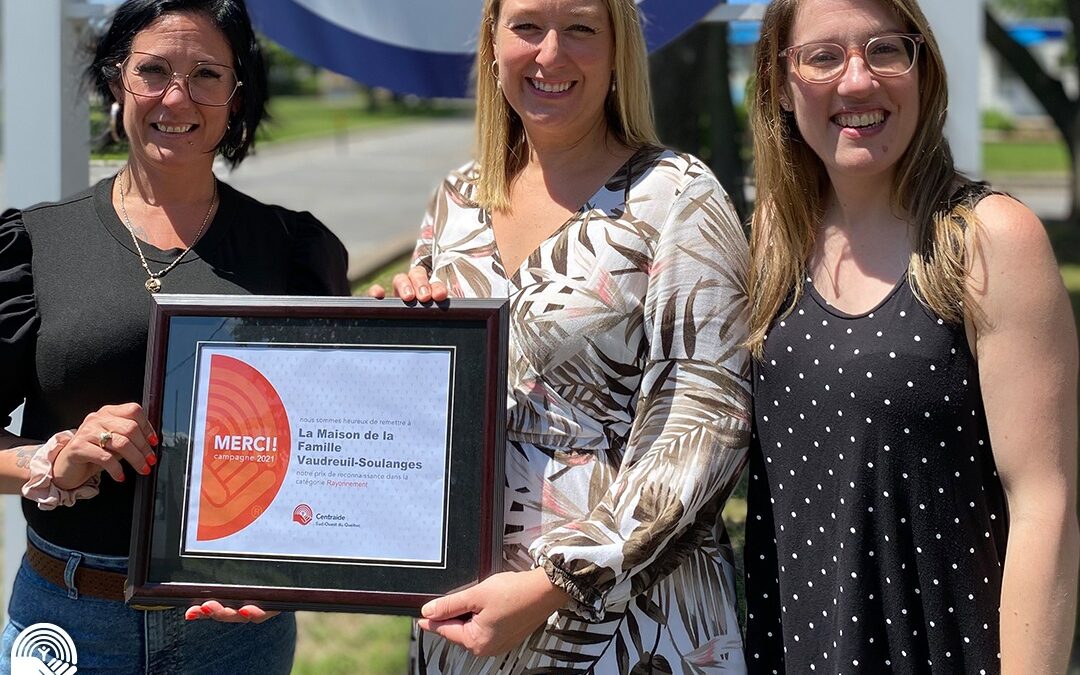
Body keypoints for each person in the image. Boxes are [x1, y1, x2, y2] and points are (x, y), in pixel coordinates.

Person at [369, 0, 751, 672]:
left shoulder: (677, 198)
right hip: (465, 618)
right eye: (527, 27)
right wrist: (390, 344)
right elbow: (422, 422)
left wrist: (558, 581)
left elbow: (706, 424)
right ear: (493, 44)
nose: (550, 54)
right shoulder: (457, 198)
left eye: (579, 28)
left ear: (615, 53)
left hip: (628, 624)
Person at [0, 0, 348, 672]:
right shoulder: (34, 245)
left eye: (206, 75)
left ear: (236, 94)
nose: (177, 97)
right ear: (114, 82)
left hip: (236, 628)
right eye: (153, 70)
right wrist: (54, 460)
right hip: (69, 618)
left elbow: (335, 439)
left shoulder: (292, 249)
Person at [742, 0, 1079, 672]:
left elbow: (1047, 501)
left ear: (922, 68)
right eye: (824, 55)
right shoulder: (775, 235)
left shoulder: (987, 240)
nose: (858, 80)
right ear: (781, 82)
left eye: (886, 49)